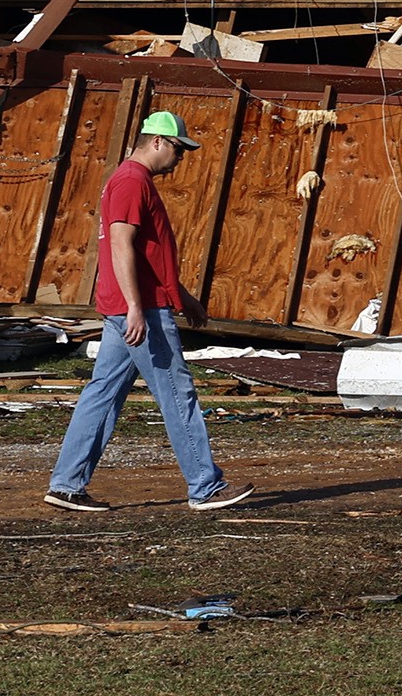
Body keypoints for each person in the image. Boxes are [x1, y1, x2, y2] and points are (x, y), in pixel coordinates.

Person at [45, 109, 255, 512]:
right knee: (177, 393)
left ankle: (67, 484)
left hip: (130, 306)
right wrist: (137, 308)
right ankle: (205, 486)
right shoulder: (130, 181)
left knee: (102, 394)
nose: (181, 159)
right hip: (140, 310)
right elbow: (121, 246)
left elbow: (148, 255)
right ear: (157, 142)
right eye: (179, 150)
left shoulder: (130, 180)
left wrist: (182, 295)